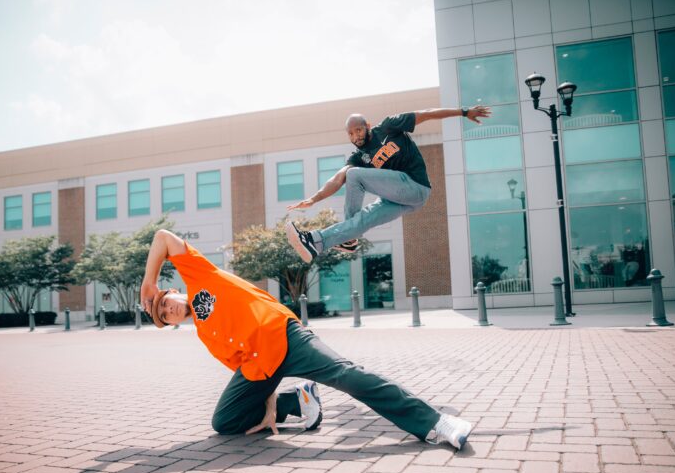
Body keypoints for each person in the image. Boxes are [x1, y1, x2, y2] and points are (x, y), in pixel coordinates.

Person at [140, 229, 473, 449]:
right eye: (163, 314)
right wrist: (270, 404)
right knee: (224, 421)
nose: (167, 308)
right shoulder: (205, 334)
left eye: (166, 302)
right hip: (263, 366)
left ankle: (438, 422)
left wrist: (149, 281)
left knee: (346, 374)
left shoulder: (201, 276)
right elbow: (248, 367)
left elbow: (163, 238)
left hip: (285, 336)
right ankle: (298, 401)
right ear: (170, 323)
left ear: (175, 292)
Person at [285, 106, 491, 262]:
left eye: (358, 130)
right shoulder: (359, 157)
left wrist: (464, 112)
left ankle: (349, 237)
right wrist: (313, 199)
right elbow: (338, 178)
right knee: (362, 218)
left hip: (416, 186)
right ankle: (317, 242)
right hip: (402, 201)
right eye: (350, 134)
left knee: (355, 176)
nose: (355, 136)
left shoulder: (389, 127)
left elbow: (426, 114)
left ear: (367, 126)